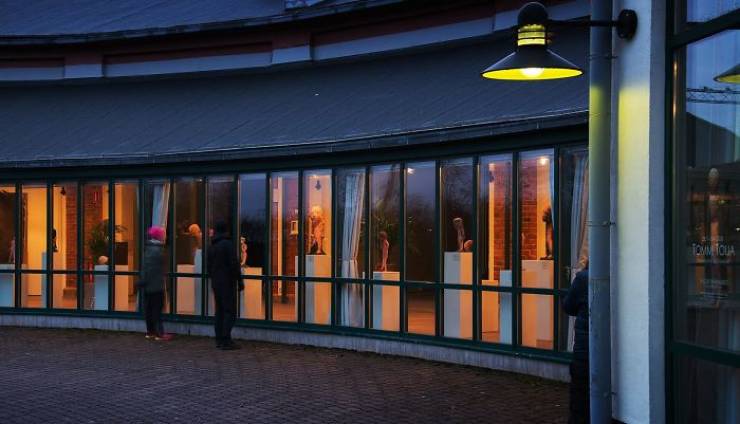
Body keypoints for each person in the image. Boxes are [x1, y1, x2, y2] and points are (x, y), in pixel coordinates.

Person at [208, 221, 243, 350]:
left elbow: (208, 267)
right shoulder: (227, 245)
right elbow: (234, 264)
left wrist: (214, 278)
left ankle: (219, 340)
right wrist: (239, 280)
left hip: (216, 283)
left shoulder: (212, 246)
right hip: (227, 283)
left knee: (219, 311)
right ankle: (226, 340)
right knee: (229, 311)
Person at [563, 265, 589, 424]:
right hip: (612, 354)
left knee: (580, 402)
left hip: (583, 352)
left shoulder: (583, 278)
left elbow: (568, 306)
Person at [138, 226, 173, 341]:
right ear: (159, 236)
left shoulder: (148, 248)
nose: (164, 236)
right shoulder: (157, 250)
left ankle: (150, 332)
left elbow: (146, 267)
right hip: (156, 285)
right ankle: (159, 333)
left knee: (149, 309)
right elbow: (154, 269)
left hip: (149, 285)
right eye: (162, 234)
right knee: (156, 309)